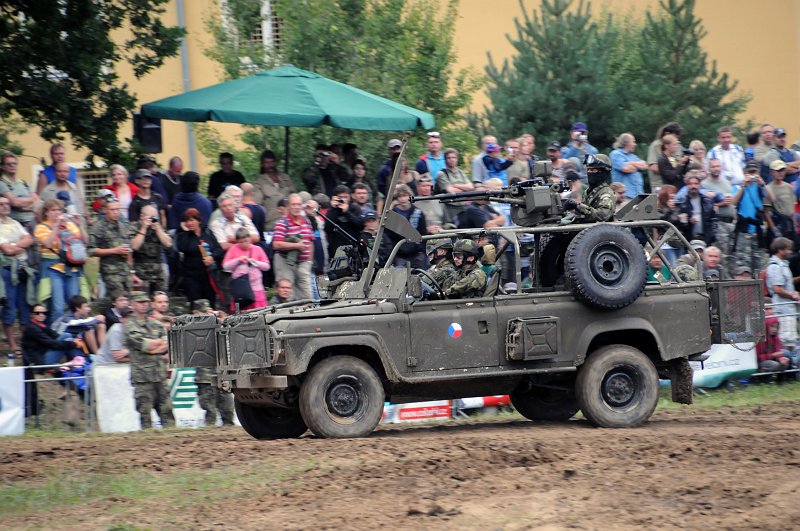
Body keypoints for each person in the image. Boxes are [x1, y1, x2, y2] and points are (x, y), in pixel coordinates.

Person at [125, 291, 174, 429]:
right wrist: (155, 345)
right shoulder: (130, 325)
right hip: (142, 377)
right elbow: (143, 345)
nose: (144, 305)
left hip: (159, 375)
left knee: (167, 412)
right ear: (133, 305)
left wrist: (153, 346)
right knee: (145, 414)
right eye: (140, 302)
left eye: (145, 302)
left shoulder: (155, 323)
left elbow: (166, 343)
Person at [34, 199, 87, 323]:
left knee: (74, 305)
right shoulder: (41, 227)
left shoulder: (70, 225)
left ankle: (74, 333)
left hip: (71, 268)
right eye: (53, 210)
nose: (57, 213)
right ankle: (57, 336)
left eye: (59, 210)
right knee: (57, 307)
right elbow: (47, 244)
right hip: (53, 269)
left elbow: (84, 241)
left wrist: (79, 225)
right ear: (46, 212)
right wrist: (56, 226)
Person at [190, 299, 235, 426]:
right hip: (205, 377)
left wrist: (223, 321)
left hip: (221, 374)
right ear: (195, 313)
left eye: (208, 312)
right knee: (210, 412)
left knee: (228, 409)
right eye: (203, 312)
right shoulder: (192, 327)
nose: (207, 314)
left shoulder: (216, 325)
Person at [0, 196, 34, 357]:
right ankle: (12, 345)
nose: (4, 206)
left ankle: (26, 343)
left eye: (6, 204)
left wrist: (15, 246)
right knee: (10, 307)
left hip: (22, 268)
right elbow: (6, 250)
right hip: (6, 269)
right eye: (1, 204)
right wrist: (18, 246)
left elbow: (29, 239)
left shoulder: (15, 223)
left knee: (25, 306)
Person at [175, 208, 224, 311]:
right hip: (191, 276)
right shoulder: (183, 235)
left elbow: (219, 249)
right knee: (195, 305)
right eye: (187, 221)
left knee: (210, 304)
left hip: (208, 275)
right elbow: (182, 248)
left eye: (192, 220)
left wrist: (212, 257)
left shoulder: (207, 232)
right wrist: (185, 231)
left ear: (199, 220)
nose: (189, 223)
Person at [731, 160, 773, 273]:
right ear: (745, 173)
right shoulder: (738, 187)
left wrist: (763, 184)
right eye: (750, 172)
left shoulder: (760, 187)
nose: (752, 174)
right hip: (743, 231)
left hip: (757, 230)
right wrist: (743, 186)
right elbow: (733, 202)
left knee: (760, 265)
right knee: (743, 265)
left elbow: (773, 199)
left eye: (754, 172)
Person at [272, 193, 315, 300]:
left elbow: (311, 241)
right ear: (288, 206)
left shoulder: (306, 221)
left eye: (299, 204)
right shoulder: (282, 222)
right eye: (293, 204)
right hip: (285, 261)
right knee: (287, 294)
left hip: (304, 263)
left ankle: (308, 314)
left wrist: (309, 260)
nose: (296, 207)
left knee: (307, 295)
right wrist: (296, 245)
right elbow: (276, 244)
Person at [89, 197, 132, 295]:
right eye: (112, 210)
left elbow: (129, 247)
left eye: (118, 209)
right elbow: (90, 250)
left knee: (129, 300)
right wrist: (114, 250)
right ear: (105, 210)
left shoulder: (123, 225)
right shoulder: (98, 227)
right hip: (110, 272)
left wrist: (131, 269)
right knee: (119, 300)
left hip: (125, 271)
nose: (116, 212)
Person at [379, 184, 429, 269]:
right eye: (400, 196)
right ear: (397, 198)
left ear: (410, 196)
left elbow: (424, 233)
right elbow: (387, 237)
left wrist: (421, 250)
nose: (403, 199)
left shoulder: (418, 213)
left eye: (405, 195)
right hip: (399, 255)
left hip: (417, 253)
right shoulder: (392, 215)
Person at [222, 227, 271, 311]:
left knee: (259, 311)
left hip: (256, 288)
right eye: (241, 242)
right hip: (241, 289)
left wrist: (255, 262)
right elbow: (225, 266)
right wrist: (238, 260)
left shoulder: (257, 249)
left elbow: (267, 266)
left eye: (246, 241)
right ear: (237, 241)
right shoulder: (233, 249)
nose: (244, 244)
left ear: (250, 238)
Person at [765, 237, 799, 355]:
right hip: (783, 310)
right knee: (786, 342)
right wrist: (792, 294)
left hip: (789, 309)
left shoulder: (783, 265)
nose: (790, 252)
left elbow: (786, 285)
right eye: (788, 249)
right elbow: (777, 288)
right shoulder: (775, 267)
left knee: (792, 341)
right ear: (780, 250)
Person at [130, 205, 172, 294]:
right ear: (142, 216)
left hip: (158, 271)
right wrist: (143, 229)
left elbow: (168, 244)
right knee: (143, 301)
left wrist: (158, 230)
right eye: (150, 217)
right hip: (141, 271)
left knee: (160, 299)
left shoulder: (157, 226)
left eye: (155, 217)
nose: (153, 220)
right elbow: (134, 246)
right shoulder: (134, 227)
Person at [562, 154, 615, 223]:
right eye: (588, 170)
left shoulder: (606, 193)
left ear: (603, 172)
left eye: (593, 170)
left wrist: (578, 206)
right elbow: (584, 214)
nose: (590, 173)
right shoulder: (589, 192)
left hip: (600, 231)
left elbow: (602, 215)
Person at [252, 150, 296, 231]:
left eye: (272, 162)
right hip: (272, 221)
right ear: (262, 164)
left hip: (290, 217)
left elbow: (294, 196)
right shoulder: (259, 180)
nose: (270, 165)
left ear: (276, 163)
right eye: (267, 163)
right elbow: (256, 203)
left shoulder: (285, 178)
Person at [0, 152, 38, 231]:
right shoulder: (2, 184)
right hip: (15, 224)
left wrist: (21, 205)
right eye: (9, 164)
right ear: (2, 167)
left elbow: (36, 201)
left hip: (32, 222)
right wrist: (29, 201)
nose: (12, 166)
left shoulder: (25, 183)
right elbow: (14, 202)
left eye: (14, 163)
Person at [676, 175, 717, 246]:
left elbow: (713, 219)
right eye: (690, 184)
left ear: (699, 185)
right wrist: (689, 221)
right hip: (689, 239)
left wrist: (712, 236)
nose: (693, 186)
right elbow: (680, 224)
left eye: (696, 183)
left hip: (706, 238)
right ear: (687, 186)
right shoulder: (682, 203)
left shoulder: (707, 201)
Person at [764, 160, 797, 249]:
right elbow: (766, 212)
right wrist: (774, 229)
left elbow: (792, 206)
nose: (780, 173)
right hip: (777, 222)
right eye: (778, 171)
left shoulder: (788, 187)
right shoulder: (768, 189)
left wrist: (794, 224)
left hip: (789, 224)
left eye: (782, 170)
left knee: (791, 251)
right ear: (772, 172)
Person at [324, 185, 363, 257]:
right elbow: (327, 228)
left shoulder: (354, 208)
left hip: (353, 249)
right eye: (341, 197)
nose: (343, 200)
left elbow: (360, 226)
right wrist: (334, 209)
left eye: (346, 197)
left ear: (349, 197)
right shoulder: (332, 211)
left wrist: (347, 212)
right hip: (336, 250)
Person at [611, 133, 649, 199]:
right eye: (633, 142)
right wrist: (637, 165)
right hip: (624, 196)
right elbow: (626, 169)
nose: (635, 144)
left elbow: (645, 165)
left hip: (638, 195)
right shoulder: (616, 154)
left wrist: (631, 163)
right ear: (626, 143)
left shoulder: (633, 156)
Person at [646, 122, 684, 190]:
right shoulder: (656, 146)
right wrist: (669, 171)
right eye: (675, 136)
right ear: (667, 133)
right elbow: (653, 167)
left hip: (675, 184)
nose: (676, 139)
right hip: (660, 184)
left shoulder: (678, 146)